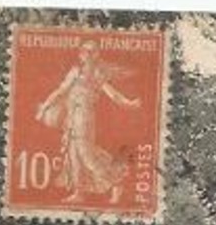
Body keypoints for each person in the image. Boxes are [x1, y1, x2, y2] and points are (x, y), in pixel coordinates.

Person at [34, 40, 141, 201]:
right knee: (73, 154)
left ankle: (116, 182)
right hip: (70, 118)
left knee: (86, 153)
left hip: (85, 118)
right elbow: (60, 91)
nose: (89, 55)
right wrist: (44, 107)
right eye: (86, 51)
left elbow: (113, 94)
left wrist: (129, 103)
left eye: (93, 51)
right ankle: (79, 193)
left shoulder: (98, 74)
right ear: (81, 55)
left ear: (97, 55)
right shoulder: (75, 72)